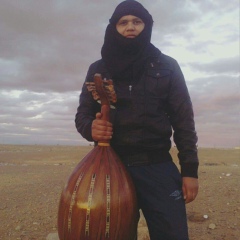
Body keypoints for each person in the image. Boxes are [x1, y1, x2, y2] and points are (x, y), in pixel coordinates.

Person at [75, 0, 199, 239]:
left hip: (158, 167)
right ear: (114, 28)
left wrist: (190, 171)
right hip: (111, 169)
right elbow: (82, 114)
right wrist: (91, 128)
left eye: (137, 21)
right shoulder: (98, 69)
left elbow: (183, 121)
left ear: (147, 26)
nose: (130, 27)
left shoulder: (168, 66)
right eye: (123, 22)